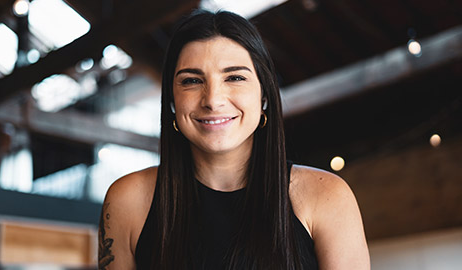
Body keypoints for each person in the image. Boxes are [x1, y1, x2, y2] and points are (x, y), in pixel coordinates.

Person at [98, 9, 370, 270]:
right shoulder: (127, 201)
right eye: (192, 81)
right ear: (171, 100)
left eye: (235, 77)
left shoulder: (326, 197)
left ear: (264, 96)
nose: (213, 100)